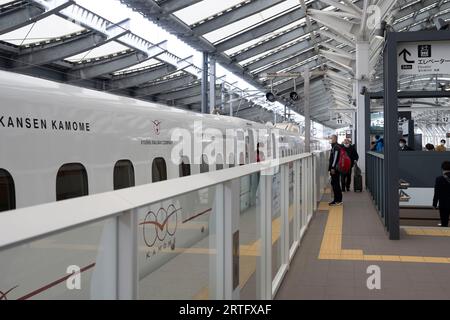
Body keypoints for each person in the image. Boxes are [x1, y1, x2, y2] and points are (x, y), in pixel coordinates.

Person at [433, 161, 450, 227]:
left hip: (443, 204)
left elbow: (437, 192)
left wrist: (434, 204)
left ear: (442, 169)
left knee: (444, 223)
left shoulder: (439, 179)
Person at [328, 134, 342, 206]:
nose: (330, 139)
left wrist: (332, 168)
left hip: (335, 169)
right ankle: (336, 200)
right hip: (335, 168)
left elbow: (335, 158)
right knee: (334, 183)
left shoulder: (336, 147)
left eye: (331, 138)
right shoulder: (334, 146)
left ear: (335, 139)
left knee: (336, 184)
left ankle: (338, 200)